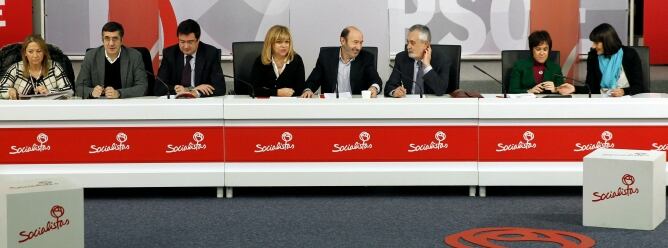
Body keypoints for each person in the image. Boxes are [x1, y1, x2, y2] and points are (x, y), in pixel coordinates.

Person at [301, 26, 382, 98]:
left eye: (361, 43)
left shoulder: (366, 57)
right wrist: (308, 90)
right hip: (330, 106)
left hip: (356, 105)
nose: (359, 47)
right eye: (355, 42)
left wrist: (374, 88)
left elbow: (376, 80)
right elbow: (313, 81)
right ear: (343, 41)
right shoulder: (326, 56)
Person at [75, 21, 147, 99]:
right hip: (99, 105)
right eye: (107, 38)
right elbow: (79, 87)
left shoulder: (134, 56)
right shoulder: (91, 56)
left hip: (125, 104)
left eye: (115, 39)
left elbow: (142, 87)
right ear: (102, 40)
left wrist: (119, 93)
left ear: (121, 40)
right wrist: (92, 92)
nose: (111, 43)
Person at [155, 19, 225, 97]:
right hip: (177, 104)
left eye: (190, 42)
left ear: (198, 40)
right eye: (182, 42)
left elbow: (220, 88)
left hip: (201, 104)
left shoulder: (210, 53)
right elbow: (158, 87)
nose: (186, 46)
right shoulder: (170, 54)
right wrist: (178, 89)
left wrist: (196, 92)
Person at [385, 24, 450, 97]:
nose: (408, 46)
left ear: (426, 44)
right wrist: (394, 92)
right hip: (408, 104)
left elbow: (441, 90)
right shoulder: (401, 58)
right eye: (408, 42)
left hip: (432, 104)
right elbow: (389, 87)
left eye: (412, 43)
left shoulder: (441, 59)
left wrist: (427, 66)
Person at [0, 35, 73, 100]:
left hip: (49, 110)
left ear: (44, 52)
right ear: (25, 53)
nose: (35, 55)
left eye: (39, 51)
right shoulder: (16, 68)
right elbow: (1, 88)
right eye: (30, 52)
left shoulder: (54, 67)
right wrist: (9, 91)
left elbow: (69, 90)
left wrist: (49, 92)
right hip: (22, 111)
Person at [585, 23, 646, 97]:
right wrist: (575, 89)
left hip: (627, 100)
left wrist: (624, 91)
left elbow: (639, 87)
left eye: (596, 43)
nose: (593, 46)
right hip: (601, 101)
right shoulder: (593, 56)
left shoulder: (630, 54)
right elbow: (590, 87)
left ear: (607, 42)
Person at [509, 30, 574, 95]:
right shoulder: (520, 65)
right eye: (538, 49)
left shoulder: (555, 67)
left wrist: (555, 89)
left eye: (545, 49)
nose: (542, 53)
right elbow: (512, 90)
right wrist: (529, 91)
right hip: (527, 103)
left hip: (549, 104)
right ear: (531, 50)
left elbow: (562, 90)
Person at [250, 25, 305, 97]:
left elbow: (300, 89)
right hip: (266, 105)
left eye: (287, 42)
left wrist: (267, 91)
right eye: (279, 42)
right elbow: (253, 89)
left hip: (290, 104)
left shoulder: (296, 60)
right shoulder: (261, 60)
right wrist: (277, 92)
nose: (284, 45)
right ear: (270, 44)